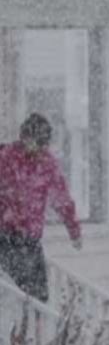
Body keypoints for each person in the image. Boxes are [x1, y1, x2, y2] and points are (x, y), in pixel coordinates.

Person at [0, 113, 81, 303]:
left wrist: (74, 230)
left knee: (39, 296)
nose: (38, 148)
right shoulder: (6, 159)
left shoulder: (47, 164)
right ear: (24, 137)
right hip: (5, 236)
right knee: (16, 294)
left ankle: (32, 329)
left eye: (43, 144)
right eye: (35, 142)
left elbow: (62, 199)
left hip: (31, 239)